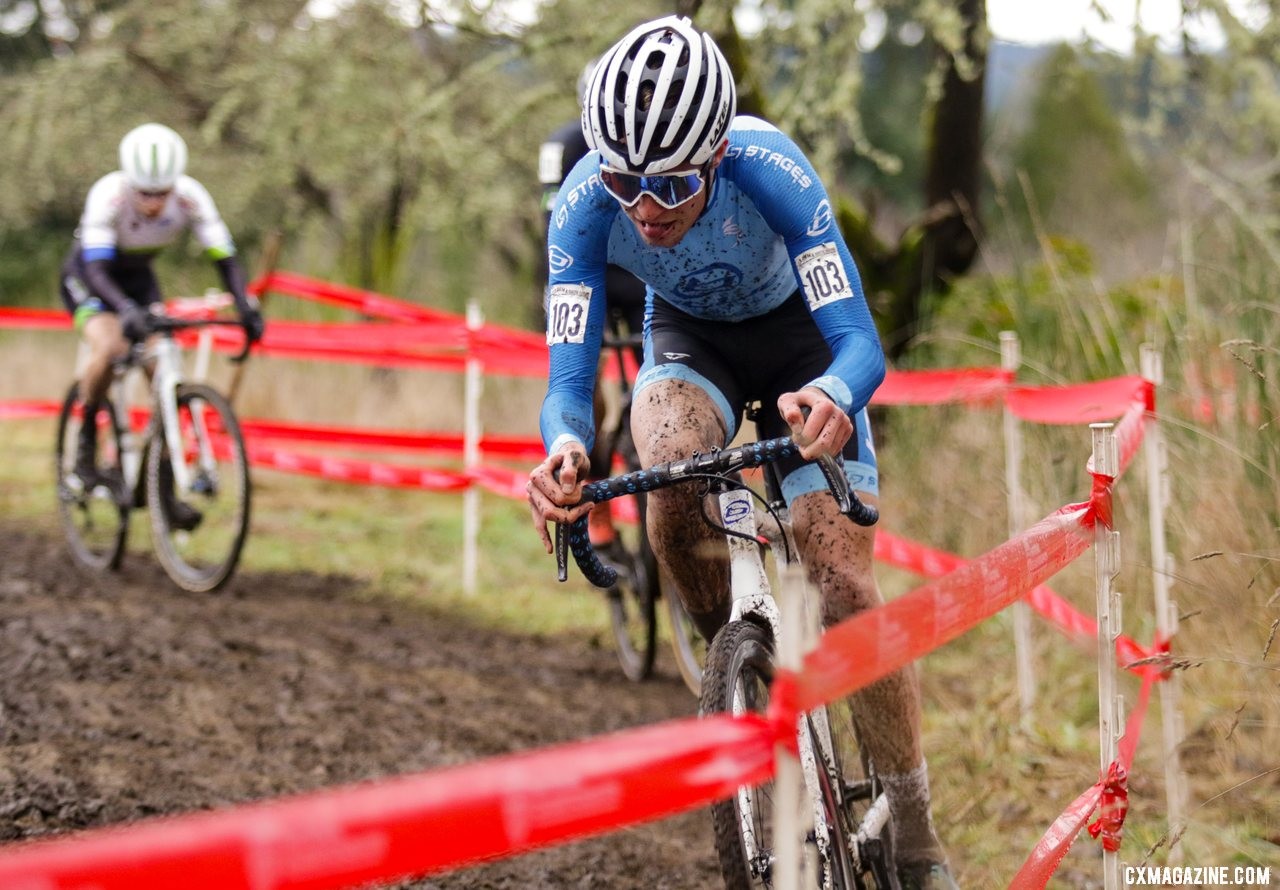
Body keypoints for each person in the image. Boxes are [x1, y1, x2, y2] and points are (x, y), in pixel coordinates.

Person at [525, 16, 958, 890]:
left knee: (839, 576)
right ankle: (738, 673)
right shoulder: (580, 207)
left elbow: (860, 347)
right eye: (623, 182)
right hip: (691, 345)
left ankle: (914, 833)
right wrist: (566, 449)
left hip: (803, 341)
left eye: (673, 184)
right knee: (669, 472)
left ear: (717, 154)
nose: (643, 209)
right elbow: (567, 386)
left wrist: (836, 396)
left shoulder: (771, 169)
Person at [60, 122, 264, 523]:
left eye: (161, 193)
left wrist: (245, 307)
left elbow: (224, 259)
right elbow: (97, 271)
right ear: (129, 182)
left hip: (139, 281)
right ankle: (85, 444)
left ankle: (163, 491)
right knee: (111, 346)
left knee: (164, 368)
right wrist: (124, 311)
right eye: (144, 193)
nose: (153, 203)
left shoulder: (190, 198)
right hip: (91, 278)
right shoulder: (109, 195)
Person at [537, 59, 648, 551]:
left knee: (660, 370)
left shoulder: (647, 145)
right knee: (590, 385)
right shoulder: (560, 148)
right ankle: (597, 498)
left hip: (637, 270)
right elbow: (553, 225)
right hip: (584, 269)